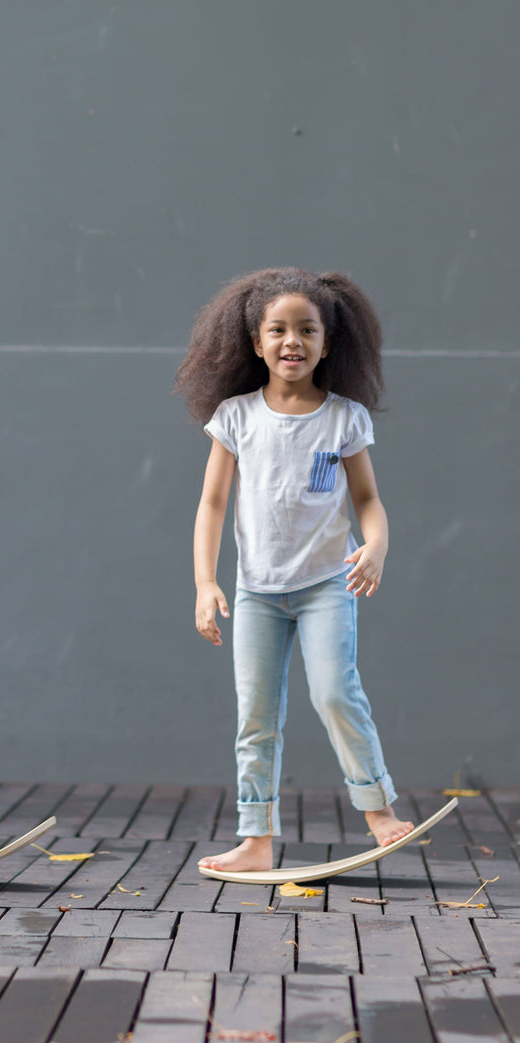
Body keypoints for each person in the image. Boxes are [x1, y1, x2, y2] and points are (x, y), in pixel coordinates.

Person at [175, 268, 413, 873]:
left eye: (307, 330)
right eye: (277, 330)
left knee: (335, 692)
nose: (292, 341)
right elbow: (211, 503)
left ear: (327, 343)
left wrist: (377, 544)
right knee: (255, 717)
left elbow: (366, 501)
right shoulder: (235, 417)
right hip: (256, 592)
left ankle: (379, 808)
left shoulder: (344, 418)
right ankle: (256, 838)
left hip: (327, 585)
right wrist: (206, 583)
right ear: (255, 343)